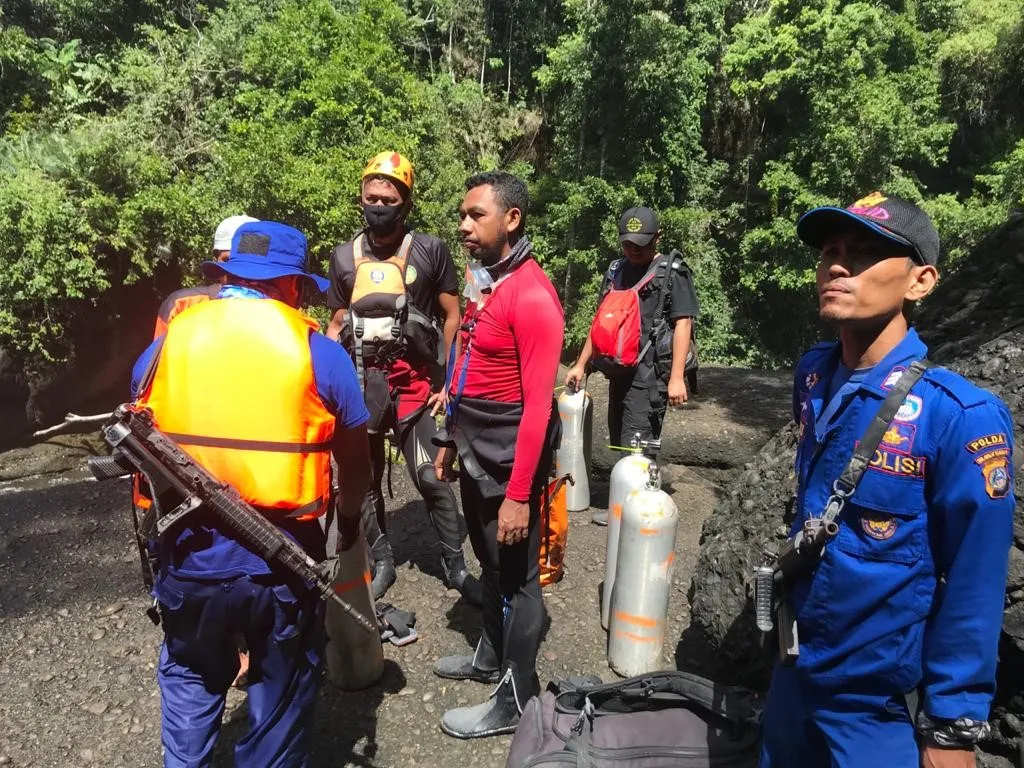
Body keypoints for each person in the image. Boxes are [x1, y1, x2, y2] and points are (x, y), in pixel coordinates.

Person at [759, 192, 1015, 768]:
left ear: (920, 281)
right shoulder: (813, 375)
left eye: (864, 253)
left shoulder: (959, 416)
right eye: (830, 252)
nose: (837, 266)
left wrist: (950, 729)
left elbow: (975, 581)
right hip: (794, 674)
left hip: (877, 708)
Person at [130, 220, 371, 767]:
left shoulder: (164, 349)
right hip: (280, 561)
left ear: (228, 277)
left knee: (191, 672)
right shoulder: (319, 354)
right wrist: (351, 522)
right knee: (280, 688)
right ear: (290, 285)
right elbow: (355, 464)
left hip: (186, 553)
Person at [432, 171, 564, 738]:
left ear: (512, 219)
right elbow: (464, 359)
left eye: (476, 215)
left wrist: (518, 497)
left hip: (512, 456)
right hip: (473, 442)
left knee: (520, 579)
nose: (464, 225)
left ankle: (517, 698)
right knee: (489, 560)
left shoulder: (533, 296)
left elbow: (537, 408)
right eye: (462, 215)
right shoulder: (484, 279)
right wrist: (448, 436)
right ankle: (489, 656)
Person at [325, 151, 473, 602]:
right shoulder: (344, 257)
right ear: (361, 199)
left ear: (405, 204)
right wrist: (325, 385)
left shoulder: (430, 250)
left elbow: (453, 316)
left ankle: (456, 567)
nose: (379, 206)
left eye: (389, 200)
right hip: (360, 385)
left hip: (417, 385)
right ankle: (382, 561)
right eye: (372, 198)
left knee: (432, 476)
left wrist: (449, 381)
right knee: (362, 480)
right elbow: (336, 322)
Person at [565, 206, 700, 524]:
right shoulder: (616, 270)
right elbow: (602, 322)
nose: (633, 250)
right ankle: (627, 506)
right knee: (620, 436)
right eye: (627, 243)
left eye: (641, 244)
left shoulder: (673, 272)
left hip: (650, 373)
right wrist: (581, 364)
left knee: (638, 440)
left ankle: (634, 514)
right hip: (619, 370)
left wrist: (677, 377)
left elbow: (683, 323)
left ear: (657, 238)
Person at [152, 214, 258, 338]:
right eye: (228, 261)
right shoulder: (180, 305)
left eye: (247, 264)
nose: (236, 272)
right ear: (215, 260)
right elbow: (161, 349)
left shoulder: (275, 309)